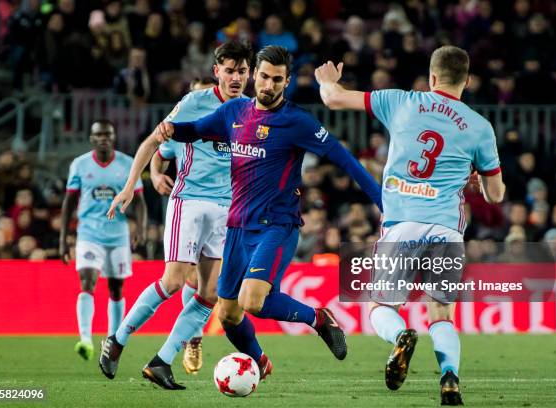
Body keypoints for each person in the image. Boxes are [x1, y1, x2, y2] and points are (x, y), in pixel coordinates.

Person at [106, 45, 383, 384]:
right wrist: (170, 132)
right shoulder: (235, 111)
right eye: (264, 77)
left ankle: (318, 318)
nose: (268, 85)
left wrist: (385, 205)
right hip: (236, 225)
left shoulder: (297, 122)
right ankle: (258, 362)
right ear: (256, 75)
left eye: (277, 80)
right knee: (227, 313)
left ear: (287, 82)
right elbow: (194, 129)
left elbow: (348, 163)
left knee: (252, 300)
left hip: (276, 226)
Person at [315, 45, 506, 406]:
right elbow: (495, 196)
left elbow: (334, 99)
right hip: (448, 230)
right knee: (441, 312)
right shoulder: (480, 127)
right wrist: (482, 180)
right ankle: (450, 379)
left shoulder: (401, 101)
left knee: (381, 308)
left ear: (431, 77)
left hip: (402, 225)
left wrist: (327, 81)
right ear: (466, 81)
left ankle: (401, 335)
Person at [99, 41, 252, 389]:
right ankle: (118, 339)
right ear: (217, 72)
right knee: (173, 281)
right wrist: (131, 184)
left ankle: (162, 361)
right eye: (229, 70)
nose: (236, 77)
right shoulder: (194, 104)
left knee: (210, 293)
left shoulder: (250, 110)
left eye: (242, 71)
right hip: (190, 202)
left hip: (227, 210)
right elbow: (154, 143)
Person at [59, 119, 147, 361]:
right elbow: (68, 202)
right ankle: (85, 339)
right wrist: (63, 238)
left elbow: (139, 201)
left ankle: (111, 340)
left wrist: (140, 227)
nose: (103, 138)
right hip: (88, 234)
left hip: (117, 235)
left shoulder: (128, 164)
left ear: (113, 137)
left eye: (107, 134)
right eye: (98, 135)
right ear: (91, 138)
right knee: (87, 281)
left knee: (116, 289)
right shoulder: (80, 164)